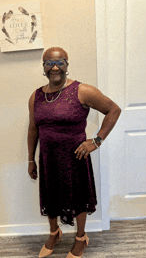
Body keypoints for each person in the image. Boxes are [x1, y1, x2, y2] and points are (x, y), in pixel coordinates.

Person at [27, 47, 121, 258]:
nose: (55, 67)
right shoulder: (36, 97)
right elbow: (33, 128)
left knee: (78, 197)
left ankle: (81, 238)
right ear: (43, 67)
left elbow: (114, 110)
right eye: (49, 63)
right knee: (50, 196)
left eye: (60, 62)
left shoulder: (83, 91)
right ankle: (54, 233)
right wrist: (31, 159)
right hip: (48, 159)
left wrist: (96, 141)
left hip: (75, 158)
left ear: (67, 64)